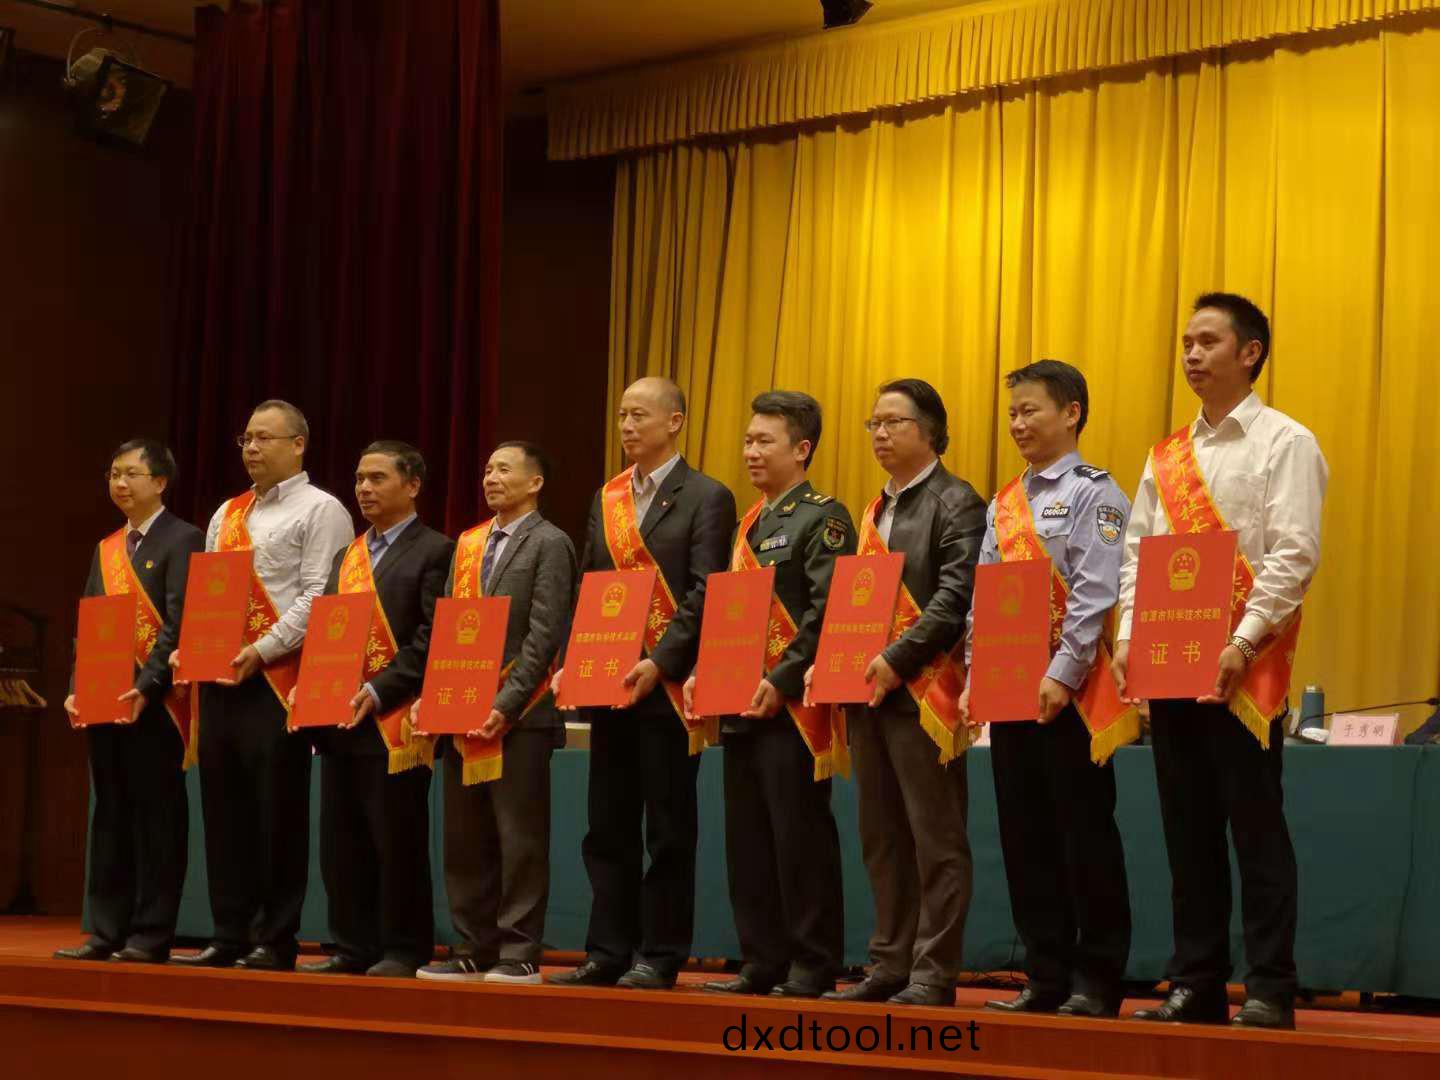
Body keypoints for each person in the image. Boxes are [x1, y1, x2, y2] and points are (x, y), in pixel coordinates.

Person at [1113, 294, 1328, 1030]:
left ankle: (1270, 987)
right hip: (1171, 661)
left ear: (1250, 352)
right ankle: (1195, 982)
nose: (1192, 355)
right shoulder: (1167, 455)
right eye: (1186, 343)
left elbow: (1294, 554)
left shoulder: (1286, 442)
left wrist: (1242, 641)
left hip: (1246, 668)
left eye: (1208, 341)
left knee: (1255, 830)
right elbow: (1140, 555)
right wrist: (1127, 638)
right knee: (1188, 831)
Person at [961, 361, 1138, 1018]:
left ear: (1071, 413)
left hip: (1074, 698)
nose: (1017, 423)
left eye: (1030, 410)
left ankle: (1097, 979)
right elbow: (985, 597)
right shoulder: (1004, 502)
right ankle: (1046, 974)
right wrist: (976, 675)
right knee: (1024, 837)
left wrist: (1061, 675)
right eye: (1012, 413)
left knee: (1083, 837)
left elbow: (1095, 593)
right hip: (1009, 691)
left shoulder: (1098, 494)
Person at [550, 377, 736, 991]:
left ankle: (660, 952)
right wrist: (574, 658)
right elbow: (589, 585)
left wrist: (661, 661)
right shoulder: (606, 498)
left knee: (668, 828)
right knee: (606, 824)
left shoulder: (706, 495)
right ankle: (608, 949)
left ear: (674, 421)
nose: (627, 426)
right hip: (608, 681)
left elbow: (706, 588)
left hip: (666, 690)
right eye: (622, 415)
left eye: (639, 415)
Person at [811, 379, 985, 1008]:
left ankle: (932, 972)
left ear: (931, 430)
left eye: (893, 422)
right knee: (882, 837)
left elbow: (954, 599)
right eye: (874, 423)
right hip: (869, 692)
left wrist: (894, 659)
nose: (880, 434)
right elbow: (859, 598)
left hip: (924, 693)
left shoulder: (957, 502)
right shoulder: (874, 509)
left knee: (935, 839)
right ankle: (889, 962)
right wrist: (831, 659)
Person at [171, 399, 353, 971]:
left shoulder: (322, 509)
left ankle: (274, 938)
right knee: (224, 812)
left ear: (298, 444)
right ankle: (228, 932)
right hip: (221, 675)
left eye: (264, 438)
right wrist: (191, 644)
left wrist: (263, 648)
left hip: (279, 679)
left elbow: (320, 594)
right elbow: (212, 590)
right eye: (246, 438)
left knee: (276, 813)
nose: (251, 448)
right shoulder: (227, 512)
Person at [687, 390, 854, 999]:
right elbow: (731, 614)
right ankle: (761, 958)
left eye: (765, 441)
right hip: (738, 702)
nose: (751, 451)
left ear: (801, 449)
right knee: (748, 839)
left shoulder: (823, 517)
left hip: (793, 708)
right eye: (748, 440)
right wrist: (705, 669)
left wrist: (780, 681)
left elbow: (825, 611)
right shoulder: (747, 525)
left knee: (798, 836)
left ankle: (812, 962)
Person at [414, 441, 577, 985]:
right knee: (465, 838)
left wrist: (505, 705)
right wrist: (435, 693)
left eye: (504, 469)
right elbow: (449, 627)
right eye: (487, 469)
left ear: (535, 482)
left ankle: (519, 950)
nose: (491, 477)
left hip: (520, 717)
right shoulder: (469, 544)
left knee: (518, 838)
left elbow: (545, 635)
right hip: (461, 711)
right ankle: (471, 945)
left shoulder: (550, 542)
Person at [298, 441, 453, 978]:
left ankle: (403, 947)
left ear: (412, 485)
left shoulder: (436, 550)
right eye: (360, 478)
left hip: (396, 720)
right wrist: (309, 684)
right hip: (341, 718)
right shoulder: (349, 556)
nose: (364, 488)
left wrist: (382, 688)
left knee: (396, 838)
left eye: (378, 478)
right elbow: (331, 629)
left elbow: (431, 637)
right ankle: (352, 945)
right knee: (343, 840)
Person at [57, 440, 203, 964]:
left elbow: (179, 620)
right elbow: (90, 625)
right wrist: (77, 686)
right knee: (111, 815)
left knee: (156, 817)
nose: (120, 483)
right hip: (105, 700)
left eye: (131, 474)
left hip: (154, 704)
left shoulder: (185, 538)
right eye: (114, 473)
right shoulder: (107, 548)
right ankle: (106, 930)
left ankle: (150, 932)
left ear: (160, 482)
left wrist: (149, 684)